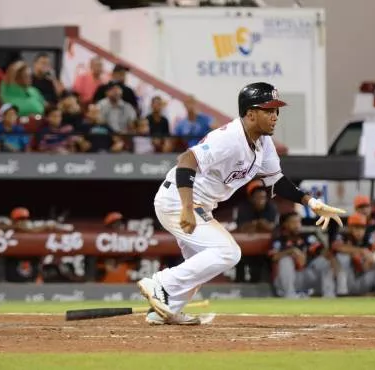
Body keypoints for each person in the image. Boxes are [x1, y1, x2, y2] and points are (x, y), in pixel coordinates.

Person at [138, 82, 345, 325]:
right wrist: (186, 207)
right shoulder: (229, 138)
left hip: (199, 203)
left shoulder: (263, 143)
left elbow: (276, 180)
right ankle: (161, 283)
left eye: (276, 110)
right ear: (250, 113)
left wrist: (311, 202)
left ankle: (166, 310)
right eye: (269, 110)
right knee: (228, 252)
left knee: (204, 264)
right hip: (179, 199)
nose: (275, 116)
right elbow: (186, 160)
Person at [332, 213, 375, 297]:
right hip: (347, 281)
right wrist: (361, 251)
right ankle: (342, 294)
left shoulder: (369, 239)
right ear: (350, 228)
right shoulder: (343, 236)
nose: (359, 231)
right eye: (356, 227)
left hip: (364, 280)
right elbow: (337, 247)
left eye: (362, 228)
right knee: (342, 256)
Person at [270, 213, 335, 298]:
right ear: (285, 224)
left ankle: (329, 296)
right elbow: (273, 257)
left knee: (324, 262)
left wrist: (327, 251)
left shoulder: (306, 238)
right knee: (285, 261)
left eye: (298, 222)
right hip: (285, 279)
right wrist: (292, 251)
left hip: (305, 275)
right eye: (293, 222)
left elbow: (323, 251)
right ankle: (290, 295)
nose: (297, 225)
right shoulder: (279, 240)